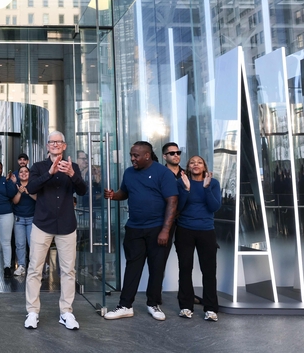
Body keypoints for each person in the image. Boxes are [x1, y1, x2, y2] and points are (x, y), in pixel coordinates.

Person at [103, 141, 178, 321]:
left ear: (147, 156)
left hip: (158, 228)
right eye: (131, 155)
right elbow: (125, 192)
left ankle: (153, 304)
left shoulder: (163, 173)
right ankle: (125, 306)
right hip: (134, 228)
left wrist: (165, 230)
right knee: (132, 267)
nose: (132, 159)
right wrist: (114, 195)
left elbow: (173, 201)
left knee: (156, 268)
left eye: (136, 156)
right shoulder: (129, 172)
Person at [24, 131, 87, 330]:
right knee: (35, 269)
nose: (55, 144)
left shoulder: (72, 167)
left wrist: (72, 174)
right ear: (47, 146)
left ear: (64, 145)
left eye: (59, 142)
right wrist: (49, 173)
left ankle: (66, 312)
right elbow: (31, 188)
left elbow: (83, 190)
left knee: (68, 270)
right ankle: (32, 311)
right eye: (52, 142)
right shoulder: (38, 167)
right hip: (42, 224)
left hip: (67, 225)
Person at [176, 155, 221, 322]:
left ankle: (210, 309)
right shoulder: (181, 182)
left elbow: (214, 207)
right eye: (192, 162)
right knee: (185, 268)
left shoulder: (213, 183)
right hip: (185, 230)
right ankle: (186, 306)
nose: (196, 165)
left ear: (204, 167)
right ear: (188, 166)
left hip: (206, 231)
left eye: (199, 162)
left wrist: (206, 188)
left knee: (209, 271)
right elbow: (178, 207)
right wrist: (186, 190)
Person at [12, 166, 36, 276]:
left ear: (29, 174)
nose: (23, 173)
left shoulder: (33, 185)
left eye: (26, 171)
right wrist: (19, 192)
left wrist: (28, 192)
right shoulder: (15, 185)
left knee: (33, 244)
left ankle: (33, 267)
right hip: (19, 219)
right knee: (20, 244)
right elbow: (15, 201)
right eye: (21, 172)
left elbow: (38, 199)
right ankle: (21, 266)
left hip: (32, 218)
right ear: (18, 174)